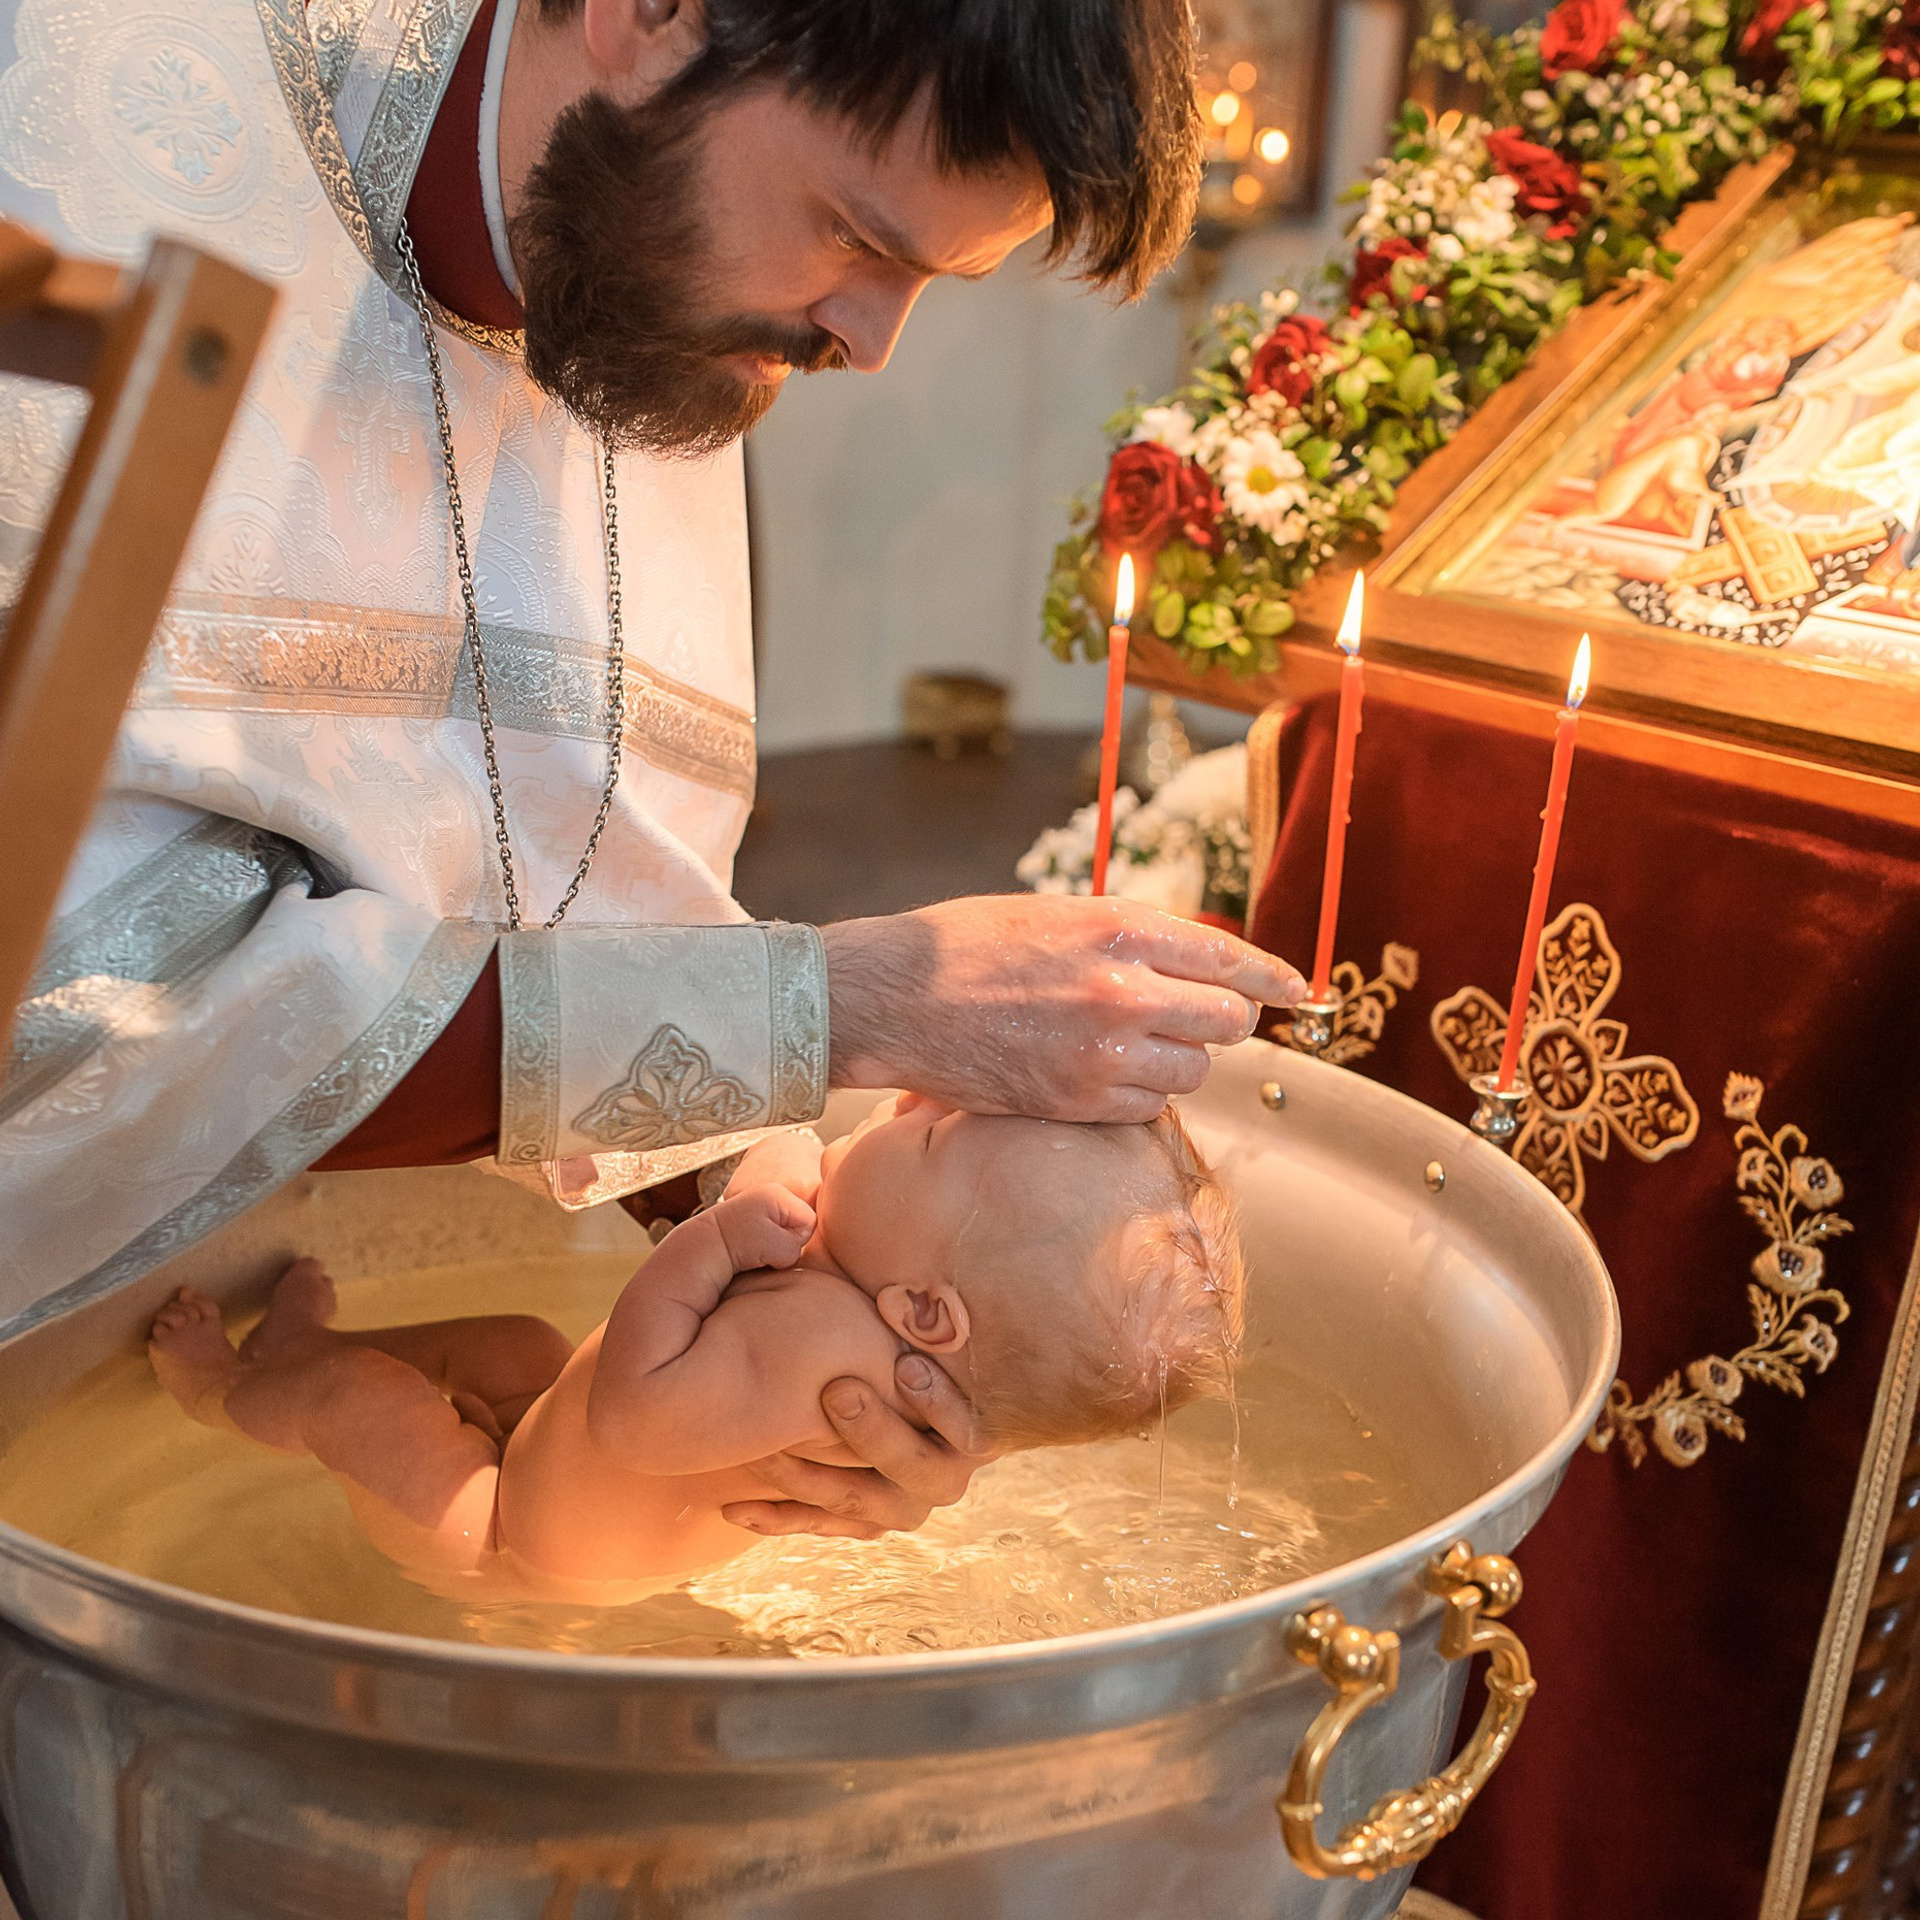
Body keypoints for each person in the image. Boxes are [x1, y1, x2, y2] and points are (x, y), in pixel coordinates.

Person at [0, 0, 1305, 1538]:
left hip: (262, 1307)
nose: (869, 345)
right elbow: (73, 1005)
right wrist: (843, 1008)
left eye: (931, 283)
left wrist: (834, 1323)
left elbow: (590, 885)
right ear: (647, 15)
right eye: (857, 237)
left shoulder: (634, 282)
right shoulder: (69, 138)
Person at [145, 1093, 1245, 1593]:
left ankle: (225, 1385)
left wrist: (713, 1242)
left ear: (924, 1313)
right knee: (523, 1342)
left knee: (375, 1404)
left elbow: (634, 1410)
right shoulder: (903, 1348)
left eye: (927, 1131)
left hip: (505, 1537)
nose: (905, 1099)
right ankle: (302, 1350)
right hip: (553, 1467)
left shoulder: (826, 1335)